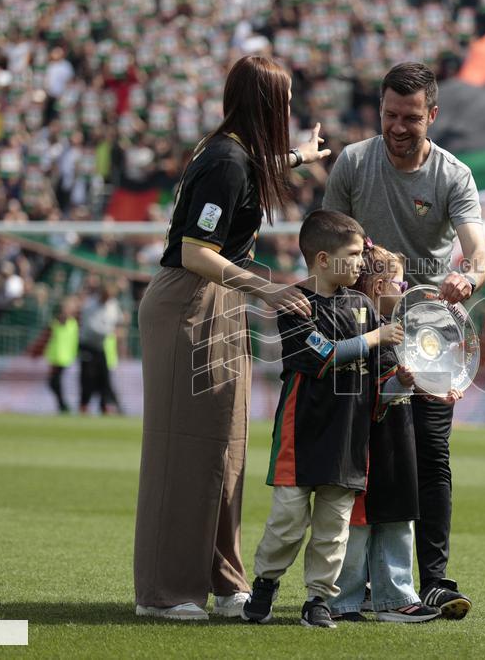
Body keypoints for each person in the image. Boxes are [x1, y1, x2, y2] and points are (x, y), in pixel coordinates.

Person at [133, 56, 329, 622]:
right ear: (266, 104)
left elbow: (250, 167)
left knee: (225, 444)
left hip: (217, 300)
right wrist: (264, 289)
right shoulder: (224, 159)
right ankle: (165, 593)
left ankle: (223, 579)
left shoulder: (232, 153)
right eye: (284, 101)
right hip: (189, 301)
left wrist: (300, 157)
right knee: (185, 449)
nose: (290, 111)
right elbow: (196, 251)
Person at [322, 61, 485, 619]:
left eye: (410, 117)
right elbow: (326, 241)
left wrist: (469, 276)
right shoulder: (352, 163)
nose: (397, 125)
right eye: (390, 114)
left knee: (431, 454)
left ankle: (435, 580)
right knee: (360, 458)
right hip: (362, 327)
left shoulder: (453, 175)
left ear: (432, 115)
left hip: (430, 334)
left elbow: (479, 251)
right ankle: (356, 587)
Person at [241, 210, 404, 629]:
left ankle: (318, 599)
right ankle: (266, 582)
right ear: (323, 260)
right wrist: (373, 338)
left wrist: (403, 379)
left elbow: (383, 372)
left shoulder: (365, 306)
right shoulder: (293, 303)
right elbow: (324, 355)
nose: (360, 264)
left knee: (334, 528)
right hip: (302, 434)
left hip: (349, 438)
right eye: (352, 255)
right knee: (287, 522)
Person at [328, 242, 445, 624]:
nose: (405, 285)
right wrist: (399, 382)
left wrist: (428, 385)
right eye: (399, 280)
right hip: (365, 444)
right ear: (379, 286)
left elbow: (398, 386)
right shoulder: (364, 331)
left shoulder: (395, 331)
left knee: (399, 517)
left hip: (397, 439)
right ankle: (343, 600)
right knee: (358, 523)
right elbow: (365, 394)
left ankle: (396, 597)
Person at [78, 282, 122, 415]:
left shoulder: (113, 304)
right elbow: (91, 327)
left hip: (100, 346)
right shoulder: (90, 306)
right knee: (87, 377)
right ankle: (84, 405)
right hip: (88, 345)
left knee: (104, 376)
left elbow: (118, 318)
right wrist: (110, 331)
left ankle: (104, 405)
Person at [44, 298, 79, 413]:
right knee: (53, 382)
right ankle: (62, 405)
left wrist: (73, 356)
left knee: (54, 382)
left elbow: (74, 342)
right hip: (54, 358)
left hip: (65, 359)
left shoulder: (73, 324)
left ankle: (63, 405)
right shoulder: (54, 323)